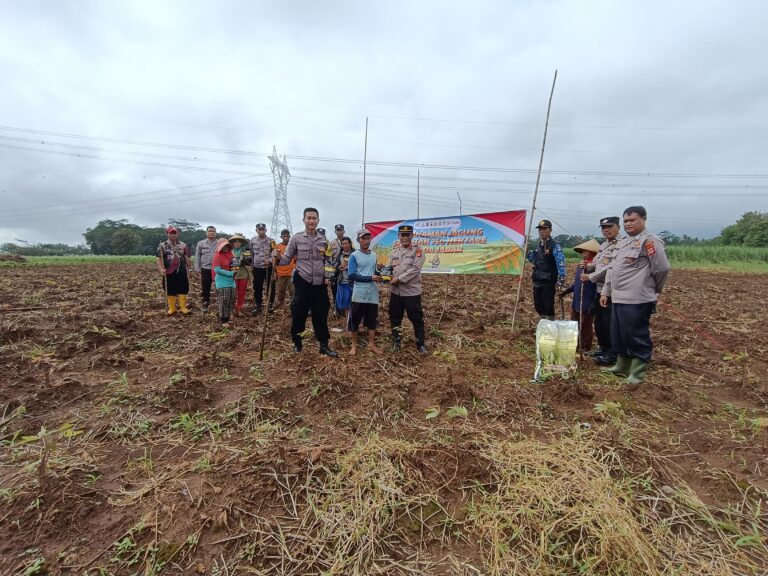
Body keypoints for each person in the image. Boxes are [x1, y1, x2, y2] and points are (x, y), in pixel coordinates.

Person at [600, 206, 670, 386]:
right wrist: (606, 291)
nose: (628, 224)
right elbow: (612, 269)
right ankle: (621, 366)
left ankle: (637, 373)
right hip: (618, 297)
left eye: (632, 220)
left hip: (638, 298)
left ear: (644, 219)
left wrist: (653, 288)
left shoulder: (649, 242)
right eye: (626, 221)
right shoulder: (623, 243)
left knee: (635, 334)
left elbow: (661, 268)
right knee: (619, 334)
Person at [274, 207, 338, 357]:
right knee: (299, 314)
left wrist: (330, 274)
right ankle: (297, 344)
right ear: (303, 220)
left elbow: (329, 261)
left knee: (321, 315)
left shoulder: (324, 240)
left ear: (318, 221)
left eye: (314, 218)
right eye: (308, 218)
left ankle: (324, 345)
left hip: (320, 284)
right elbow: (286, 259)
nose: (311, 221)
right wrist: (276, 257)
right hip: (303, 282)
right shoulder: (296, 238)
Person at [581, 217, 623, 365]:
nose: (606, 230)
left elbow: (610, 268)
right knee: (599, 322)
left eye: (609, 226)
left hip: (612, 291)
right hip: (600, 290)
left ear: (618, 226)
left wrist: (590, 276)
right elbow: (598, 263)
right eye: (603, 227)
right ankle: (603, 348)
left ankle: (612, 353)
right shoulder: (604, 245)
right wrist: (588, 265)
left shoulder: (622, 244)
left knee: (609, 322)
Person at [387, 224, 428, 354]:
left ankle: (420, 344)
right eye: (402, 235)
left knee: (416, 318)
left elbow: (415, 269)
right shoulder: (394, 251)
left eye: (407, 235)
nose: (405, 237)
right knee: (395, 317)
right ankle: (396, 341)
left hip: (411, 292)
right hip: (396, 292)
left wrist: (398, 279)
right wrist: (386, 275)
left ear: (412, 236)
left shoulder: (418, 251)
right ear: (398, 236)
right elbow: (389, 268)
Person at [559, 239, 600, 352]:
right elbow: (577, 283)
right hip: (577, 300)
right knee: (574, 324)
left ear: (593, 253)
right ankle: (575, 345)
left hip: (588, 301)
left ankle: (586, 348)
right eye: (582, 252)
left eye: (585, 252)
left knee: (586, 326)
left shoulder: (596, 268)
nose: (583, 254)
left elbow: (598, 287)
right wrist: (566, 291)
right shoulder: (581, 266)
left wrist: (593, 303)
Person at [347, 229, 383, 355]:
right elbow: (351, 275)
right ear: (358, 240)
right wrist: (370, 278)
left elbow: (375, 273)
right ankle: (354, 346)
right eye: (363, 238)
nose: (366, 241)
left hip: (372, 293)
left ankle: (371, 344)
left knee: (372, 320)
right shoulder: (354, 256)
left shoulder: (374, 255)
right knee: (355, 320)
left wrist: (381, 274)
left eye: (368, 238)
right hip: (359, 293)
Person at [526, 219, 566, 320]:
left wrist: (561, 279)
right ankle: (543, 324)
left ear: (550, 230)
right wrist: (526, 253)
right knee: (538, 306)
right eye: (540, 229)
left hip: (548, 281)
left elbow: (560, 262)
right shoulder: (539, 244)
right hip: (537, 280)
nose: (541, 231)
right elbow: (534, 260)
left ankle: (550, 325)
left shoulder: (555, 245)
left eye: (544, 229)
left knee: (548, 306)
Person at [156, 225, 192, 316]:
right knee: (170, 289)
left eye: (175, 233)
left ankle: (183, 307)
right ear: (167, 234)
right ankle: (172, 308)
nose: (173, 235)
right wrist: (161, 269)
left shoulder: (183, 245)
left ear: (178, 234)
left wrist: (189, 269)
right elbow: (159, 259)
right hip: (168, 271)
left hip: (181, 270)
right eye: (171, 233)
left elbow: (187, 258)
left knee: (183, 288)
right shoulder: (162, 245)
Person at [250, 223, 276, 315]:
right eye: (259, 229)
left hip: (268, 267)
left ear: (266, 230)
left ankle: (270, 305)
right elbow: (251, 254)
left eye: (263, 229)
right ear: (256, 230)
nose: (261, 231)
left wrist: (269, 261)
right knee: (257, 287)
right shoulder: (252, 241)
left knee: (270, 286)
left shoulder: (271, 241)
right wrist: (252, 266)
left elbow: (274, 253)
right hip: (257, 268)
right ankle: (258, 305)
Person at [212, 238, 236, 327]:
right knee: (224, 301)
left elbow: (234, 265)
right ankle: (223, 320)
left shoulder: (230, 255)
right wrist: (230, 273)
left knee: (231, 300)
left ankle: (228, 318)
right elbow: (217, 270)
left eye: (227, 246)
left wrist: (236, 269)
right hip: (222, 282)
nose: (226, 248)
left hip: (231, 281)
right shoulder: (217, 256)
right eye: (224, 246)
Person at [194, 225, 218, 314]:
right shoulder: (201, 243)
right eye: (210, 231)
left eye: (213, 231)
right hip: (205, 268)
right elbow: (197, 256)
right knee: (205, 287)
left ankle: (220, 302)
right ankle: (205, 303)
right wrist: (197, 268)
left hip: (217, 269)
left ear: (216, 233)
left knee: (218, 286)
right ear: (206, 233)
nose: (211, 233)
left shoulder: (219, 243)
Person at [228, 234, 252, 317]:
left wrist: (248, 259)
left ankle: (239, 309)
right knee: (232, 292)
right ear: (232, 243)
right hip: (232, 274)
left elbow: (248, 263)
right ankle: (232, 309)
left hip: (243, 274)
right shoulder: (229, 252)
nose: (237, 243)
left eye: (239, 242)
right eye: (235, 242)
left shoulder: (245, 252)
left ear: (241, 243)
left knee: (241, 293)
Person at [273, 229, 296, 312]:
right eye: (284, 236)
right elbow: (274, 260)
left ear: (290, 237)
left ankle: (293, 307)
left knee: (293, 291)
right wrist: (275, 272)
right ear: (281, 237)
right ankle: (281, 306)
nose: (286, 238)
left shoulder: (293, 246)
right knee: (280, 292)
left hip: (291, 273)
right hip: (281, 273)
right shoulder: (277, 247)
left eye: (287, 236)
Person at [334, 237, 354, 318]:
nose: (345, 245)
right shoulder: (339, 256)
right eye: (343, 244)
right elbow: (335, 268)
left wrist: (349, 267)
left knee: (355, 304)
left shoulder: (355, 254)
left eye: (346, 243)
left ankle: (355, 325)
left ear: (350, 244)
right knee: (346, 305)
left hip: (353, 282)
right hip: (343, 282)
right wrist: (339, 267)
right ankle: (348, 325)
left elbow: (360, 267)